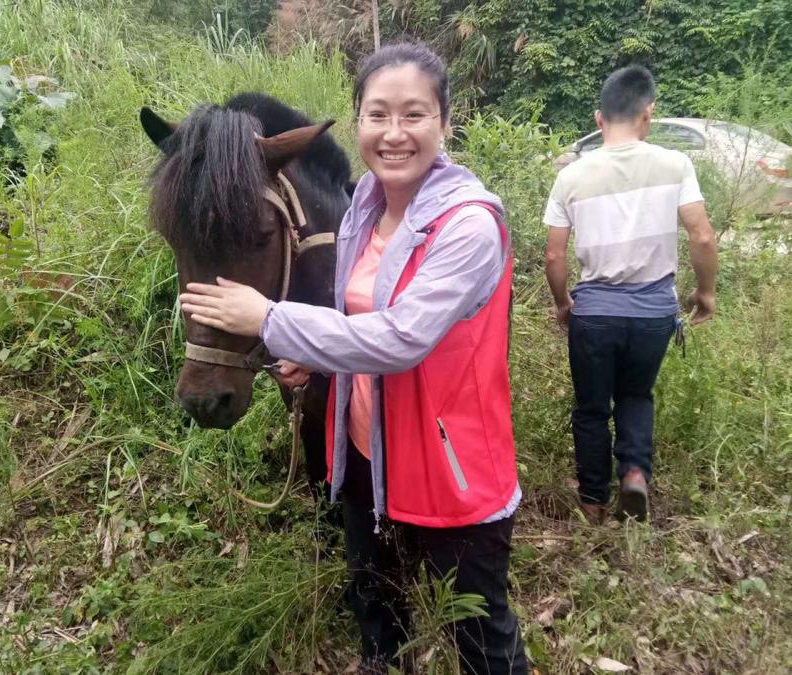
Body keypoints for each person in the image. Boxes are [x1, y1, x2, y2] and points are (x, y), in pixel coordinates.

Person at [179, 42, 527, 675]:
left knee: (481, 630)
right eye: (377, 114)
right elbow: (355, 317)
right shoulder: (363, 209)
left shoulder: (469, 227)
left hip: (451, 463)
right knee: (374, 595)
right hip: (368, 444)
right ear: (359, 122)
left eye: (414, 114)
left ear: (444, 124)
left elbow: (400, 338)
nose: (394, 133)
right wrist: (317, 358)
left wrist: (271, 321)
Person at [543, 65, 718, 523]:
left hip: (595, 312)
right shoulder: (675, 164)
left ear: (599, 119)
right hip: (654, 312)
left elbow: (554, 258)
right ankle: (635, 473)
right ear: (649, 113)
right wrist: (706, 293)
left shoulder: (572, 176)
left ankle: (593, 500)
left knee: (592, 407)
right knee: (637, 396)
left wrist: (564, 303)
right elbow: (701, 235)